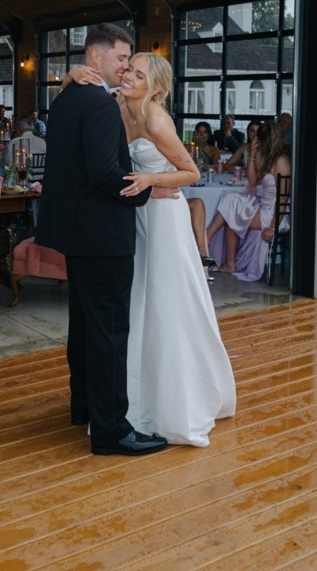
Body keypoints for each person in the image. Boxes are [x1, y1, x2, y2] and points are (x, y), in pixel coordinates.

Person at [35, 23, 168, 457]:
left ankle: (84, 406)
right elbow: (105, 174)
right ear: (97, 57)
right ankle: (111, 431)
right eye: (121, 59)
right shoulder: (97, 104)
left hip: (78, 232)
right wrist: (148, 188)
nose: (125, 66)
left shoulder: (67, 97)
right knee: (110, 330)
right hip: (103, 233)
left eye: (129, 61)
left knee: (86, 325)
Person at [115, 52, 236, 446]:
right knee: (141, 302)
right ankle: (138, 396)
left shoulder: (155, 118)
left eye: (138, 74)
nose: (129, 77)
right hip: (139, 217)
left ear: (157, 88)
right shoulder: (119, 104)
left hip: (165, 219)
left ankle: (177, 401)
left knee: (167, 302)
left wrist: (151, 178)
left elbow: (192, 173)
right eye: (128, 70)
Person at [206, 120, 292, 278]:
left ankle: (206, 239)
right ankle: (227, 261)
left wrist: (273, 227)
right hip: (263, 206)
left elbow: (283, 198)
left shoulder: (282, 161)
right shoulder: (268, 157)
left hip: (273, 214)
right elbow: (253, 182)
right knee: (230, 202)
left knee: (231, 207)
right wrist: (252, 156)